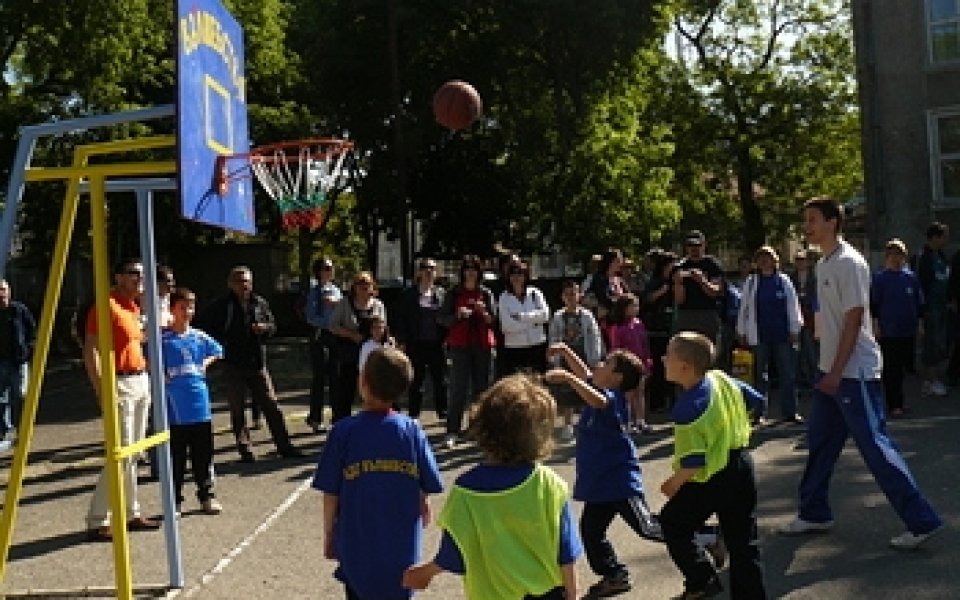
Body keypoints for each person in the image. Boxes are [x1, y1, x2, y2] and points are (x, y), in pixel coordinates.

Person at [780, 197, 943, 550]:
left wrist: (837, 371)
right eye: (805, 220)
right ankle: (814, 511)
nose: (806, 226)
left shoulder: (850, 263)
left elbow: (855, 320)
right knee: (821, 443)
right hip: (832, 371)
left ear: (832, 222)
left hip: (853, 373)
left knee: (874, 446)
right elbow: (832, 321)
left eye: (812, 220)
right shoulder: (824, 263)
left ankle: (921, 521)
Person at [403, 374, 582, 600]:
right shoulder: (549, 485)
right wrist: (573, 593)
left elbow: (455, 553)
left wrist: (425, 572)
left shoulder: (466, 490)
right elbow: (566, 552)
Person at [313, 347, 443, 600]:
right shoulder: (412, 431)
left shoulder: (343, 432)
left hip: (357, 544)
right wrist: (423, 500)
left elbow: (331, 492)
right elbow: (426, 482)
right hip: (401, 546)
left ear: (363, 381)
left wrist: (329, 533)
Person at [545, 343, 662, 598]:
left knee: (648, 527)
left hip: (619, 480)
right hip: (600, 485)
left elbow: (597, 400)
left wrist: (566, 377)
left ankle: (705, 536)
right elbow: (587, 375)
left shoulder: (613, 398)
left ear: (617, 378)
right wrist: (565, 352)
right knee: (591, 532)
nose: (598, 365)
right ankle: (614, 575)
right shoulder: (599, 388)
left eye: (607, 363)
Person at [658, 331, 767, 600]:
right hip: (741, 465)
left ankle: (701, 578)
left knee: (672, 523)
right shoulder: (721, 378)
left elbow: (695, 462)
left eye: (668, 356)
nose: (663, 359)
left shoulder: (688, 408)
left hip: (712, 478)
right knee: (744, 543)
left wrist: (673, 484)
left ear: (685, 367)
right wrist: (741, 426)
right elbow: (757, 400)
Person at [82, 258, 161, 540]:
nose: (139, 279)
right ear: (117, 277)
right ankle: (98, 519)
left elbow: (136, 345)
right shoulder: (107, 305)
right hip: (119, 382)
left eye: (142, 274)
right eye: (133, 273)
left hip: (139, 380)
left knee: (135, 452)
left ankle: (130, 512)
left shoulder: (134, 308)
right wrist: (101, 387)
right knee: (120, 452)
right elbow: (91, 349)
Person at [195, 265, 302, 463]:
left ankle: (284, 446)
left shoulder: (259, 303)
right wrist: (221, 346)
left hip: (256, 362)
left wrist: (264, 329)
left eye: (246, 281)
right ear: (230, 284)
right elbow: (205, 328)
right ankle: (245, 449)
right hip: (233, 363)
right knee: (237, 409)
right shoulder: (221, 306)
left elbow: (273, 326)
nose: (243, 285)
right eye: (239, 281)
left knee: (271, 405)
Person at [160, 287, 224, 516]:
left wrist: (205, 364)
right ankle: (174, 500)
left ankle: (206, 495)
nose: (187, 311)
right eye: (182, 307)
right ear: (172, 309)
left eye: (191, 306)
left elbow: (218, 350)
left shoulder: (198, 336)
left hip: (200, 403)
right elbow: (147, 358)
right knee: (176, 456)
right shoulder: (163, 339)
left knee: (203, 454)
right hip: (176, 407)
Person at [735, 246, 804, 425]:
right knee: (760, 375)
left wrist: (795, 329)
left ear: (775, 261)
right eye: (761, 258)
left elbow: (793, 306)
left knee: (787, 374)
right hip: (759, 335)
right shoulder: (751, 282)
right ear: (756, 262)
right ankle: (758, 413)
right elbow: (744, 310)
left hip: (782, 335)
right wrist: (741, 331)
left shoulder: (784, 281)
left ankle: (790, 412)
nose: (765, 261)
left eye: (768, 258)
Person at [437, 255, 496, 450]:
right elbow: (442, 318)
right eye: (467, 268)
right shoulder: (453, 293)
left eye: (474, 269)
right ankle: (452, 430)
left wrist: (483, 312)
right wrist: (458, 315)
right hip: (460, 345)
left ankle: (478, 429)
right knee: (457, 388)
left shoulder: (486, 293)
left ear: (479, 273)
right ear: (462, 272)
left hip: (481, 346)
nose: (470, 272)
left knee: (482, 389)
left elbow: (493, 321)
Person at [870, 239, 923, 418]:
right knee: (891, 368)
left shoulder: (910, 277)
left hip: (907, 329)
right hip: (889, 329)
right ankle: (893, 404)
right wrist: (876, 325)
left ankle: (900, 401)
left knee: (903, 368)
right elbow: (874, 304)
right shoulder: (880, 278)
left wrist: (920, 324)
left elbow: (918, 302)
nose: (895, 257)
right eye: (892, 254)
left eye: (899, 254)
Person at [328, 271, 387, 423]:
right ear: (354, 287)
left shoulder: (378, 305)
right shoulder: (345, 304)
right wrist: (351, 335)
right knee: (346, 390)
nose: (364, 288)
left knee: (374, 389)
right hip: (350, 352)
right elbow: (333, 325)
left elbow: (384, 327)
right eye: (360, 284)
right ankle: (341, 423)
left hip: (371, 353)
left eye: (367, 284)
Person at [547, 280, 603, 441]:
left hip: (583, 355)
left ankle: (586, 421)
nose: (571, 297)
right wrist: (555, 358)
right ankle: (567, 424)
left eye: (574, 293)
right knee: (566, 393)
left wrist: (594, 357)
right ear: (563, 297)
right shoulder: (558, 316)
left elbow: (594, 336)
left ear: (580, 295)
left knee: (586, 388)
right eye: (568, 294)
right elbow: (554, 336)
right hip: (565, 357)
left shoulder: (586, 315)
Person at [393, 258, 447, 420]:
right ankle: (414, 413)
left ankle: (442, 411)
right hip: (416, 343)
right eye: (425, 269)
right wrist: (401, 340)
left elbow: (445, 318)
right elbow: (401, 318)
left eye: (431, 269)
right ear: (419, 272)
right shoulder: (409, 295)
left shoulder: (441, 294)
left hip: (436, 343)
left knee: (440, 379)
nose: (428, 272)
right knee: (416, 381)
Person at [606, 293, 654, 433]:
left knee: (640, 391)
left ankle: (640, 420)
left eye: (637, 306)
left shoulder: (639, 324)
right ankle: (628, 421)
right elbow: (616, 348)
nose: (636, 309)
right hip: (627, 365)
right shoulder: (618, 327)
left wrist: (648, 360)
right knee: (628, 394)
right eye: (632, 306)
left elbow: (644, 343)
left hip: (640, 362)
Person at [305, 257, 342, 433]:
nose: (329, 271)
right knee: (319, 378)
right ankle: (315, 418)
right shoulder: (315, 292)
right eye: (326, 268)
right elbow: (311, 317)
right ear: (318, 272)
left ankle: (338, 417)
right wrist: (329, 325)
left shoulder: (336, 290)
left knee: (336, 378)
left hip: (336, 338)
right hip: (320, 337)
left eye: (331, 268)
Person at [672, 231, 725, 346]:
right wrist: (678, 283)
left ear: (704, 246)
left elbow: (715, 292)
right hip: (686, 314)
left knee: (709, 349)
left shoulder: (712, 265)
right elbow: (679, 300)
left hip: (707, 313)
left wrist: (702, 280)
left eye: (697, 246)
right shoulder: (680, 266)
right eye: (691, 246)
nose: (694, 249)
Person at [0, 279, 35, 451]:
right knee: (1, 398)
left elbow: (31, 330)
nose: (2, 294)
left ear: (9, 291)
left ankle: (23, 431)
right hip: (1, 362)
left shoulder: (19, 310)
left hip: (19, 360)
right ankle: (3, 431)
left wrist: (28, 349)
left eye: (4, 290)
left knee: (20, 395)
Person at [498, 261, 550, 376]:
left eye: (520, 274)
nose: (516, 277)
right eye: (513, 274)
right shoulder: (504, 297)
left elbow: (545, 315)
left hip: (537, 346)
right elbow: (507, 326)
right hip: (515, 348)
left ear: (525, 276)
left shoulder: (535, 293)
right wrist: (534, 323)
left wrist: (521, 317)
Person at [916, 221, 950, 396]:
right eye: (944, 236)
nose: (946, 240)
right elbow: (921, 284)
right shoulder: (924, 257)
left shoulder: (942, 256)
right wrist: (922, 310)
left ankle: (936, 379)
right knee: (931, 343)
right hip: (930, 306)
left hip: (942, 305)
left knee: (940, 343)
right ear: (935, 237)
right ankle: (929, 380)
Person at [643, 250, 679, 413]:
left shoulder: (677, 284)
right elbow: (647, 300)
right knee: (658, 366)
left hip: (672, 327)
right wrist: (661, 291)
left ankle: (672, 398)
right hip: (656, 329)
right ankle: (656, 402)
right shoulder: (655, 282)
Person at [789, 250, 819, 390]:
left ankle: (815, 380)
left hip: (810, 318)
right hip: (796, 317)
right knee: (797, 352)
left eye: (803, 260)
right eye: (798, 260)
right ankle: (800, 382)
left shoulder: (815, 277)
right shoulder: (791, 278)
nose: (800, 263)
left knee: (811, 351)